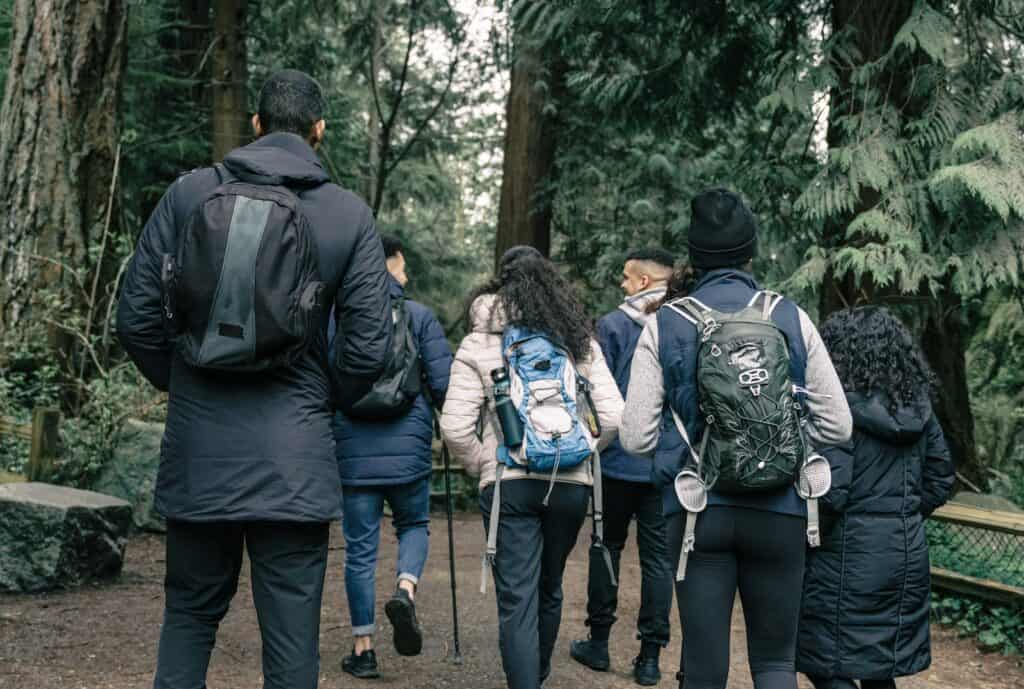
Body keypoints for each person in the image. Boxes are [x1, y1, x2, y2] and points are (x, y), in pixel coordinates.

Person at [116, 69, 392, 689]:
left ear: (257, 125)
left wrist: (184, 382)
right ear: (319, 131)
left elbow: (134, 318)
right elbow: (370, 345)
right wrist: (324, 398)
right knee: (292, 642)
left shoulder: (188, 194)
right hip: (294, 461)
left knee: (188, 616)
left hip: (199, 453)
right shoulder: (348, 215)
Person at [620, 188, 853, 689]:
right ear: (750, 250)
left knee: (704, 666)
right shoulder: (789, 315)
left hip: (698, 511)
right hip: (782, 509)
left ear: (695, 256)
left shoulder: (666, 323)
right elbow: (839, 426)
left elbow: (636, 437)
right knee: (774, 662)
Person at [440, 246, 624, 689]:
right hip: (570, 482)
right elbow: (616, 417)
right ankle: (537, 675)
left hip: (510, 483)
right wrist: (586, 449)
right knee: (549, 585)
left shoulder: (480, 341)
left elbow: (454, 428)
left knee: (516, 596)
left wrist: (483, 466)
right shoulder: (578, 339)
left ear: (498, 285)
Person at [797, 306, 955, 689]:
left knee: (823, 661)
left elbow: (832, 493)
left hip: (841, 554)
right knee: (879, 665)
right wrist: (901, 516)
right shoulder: (920, 410)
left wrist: (812, 534)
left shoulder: (836, 413)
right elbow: (940, 479)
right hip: (904, 553)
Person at [332, 234, 453, 679]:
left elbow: (326, 380)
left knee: (360, 549)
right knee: (414, 524)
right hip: (409, 444)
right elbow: (443, 384)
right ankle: (405, 589)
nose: (406, 276)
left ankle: (363, 649)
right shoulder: (420, 317)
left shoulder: (340, 319)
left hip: (355, 448)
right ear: (390, 268)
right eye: (401, 269)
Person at [570, 248, 677, 686]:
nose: (622, 285)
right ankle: (649, 658)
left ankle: (598, 643)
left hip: (614, 463)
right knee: (657, 562)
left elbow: (593, 397)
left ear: (645, 283)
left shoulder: (611, 327)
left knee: (605, 547)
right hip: (662, 464)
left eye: (627, 278)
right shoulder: (681, 326)